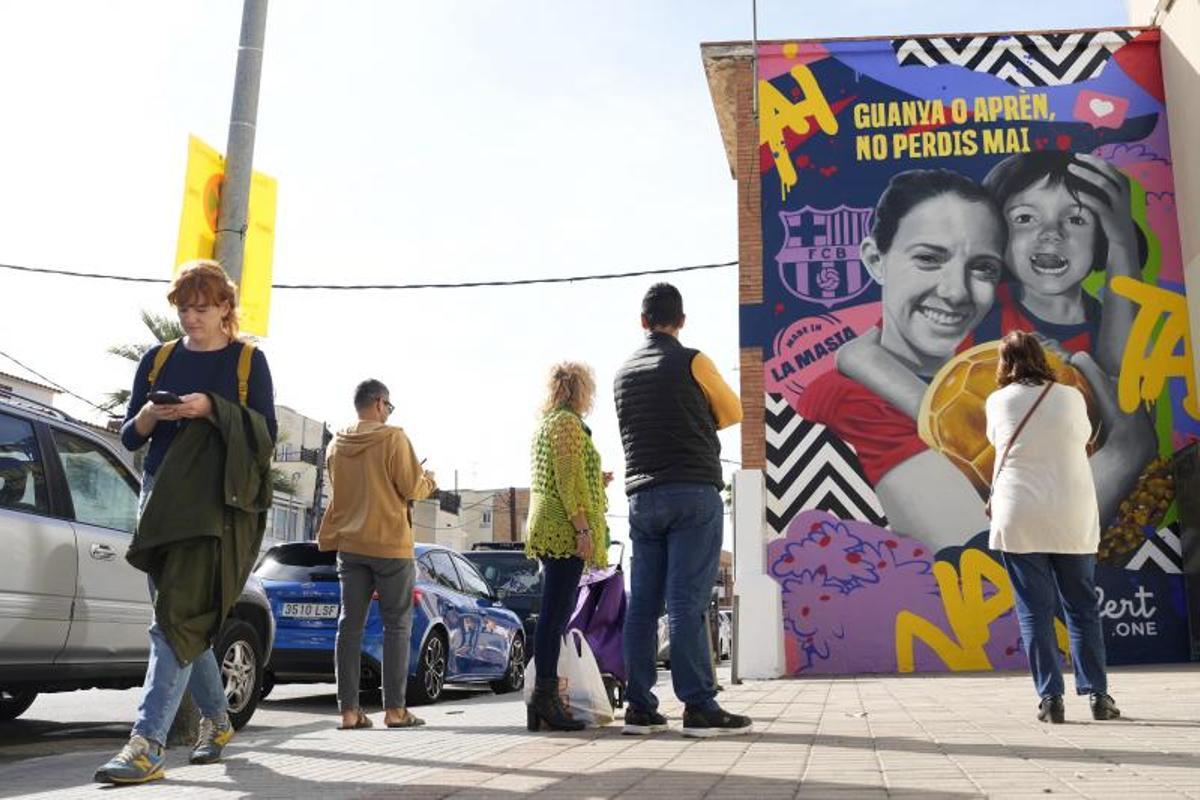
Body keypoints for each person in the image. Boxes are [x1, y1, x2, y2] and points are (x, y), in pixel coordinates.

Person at [95, 260, 277, 784]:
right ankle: (218, 721)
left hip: (217, 505)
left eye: (202, 308)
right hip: (160, 499)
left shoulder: (247, 362)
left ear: (225, 308)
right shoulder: (159, 358)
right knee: (182, 621)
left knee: (172, 619)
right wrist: (153, 416)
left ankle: (146, 744)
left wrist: (212, 409)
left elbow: (265, 435)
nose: (191, 319)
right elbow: (131, 435)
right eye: (184, 309)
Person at [803, 169, 1007, 548]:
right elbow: (983, 550)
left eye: (982, 267)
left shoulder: (994, 373)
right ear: (875, 260)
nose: (956, 292)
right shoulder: (844, 396)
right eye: (929, 258)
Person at [614, 283, 748, 738]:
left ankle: (639, 706)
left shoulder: (623, 373)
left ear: (643, 321)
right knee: (687, 603)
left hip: (641, 498)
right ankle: (698, 706)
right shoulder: (693, 360)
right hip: (692, 492)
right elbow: (732, 412)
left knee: (643, 607)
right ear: (682, 321)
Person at [986, 331, 1120, 724]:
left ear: (1005, 361)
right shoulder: (1070, 397)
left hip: (1020, 512)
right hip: (1070, 512)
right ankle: (1098, 696)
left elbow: (998, 443)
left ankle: (1051, 699)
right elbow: (1081, 440)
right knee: (1082, 609)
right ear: (1039, 358)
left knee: (1034, 612)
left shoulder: (997, 401)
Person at [317, 379, 436, 731]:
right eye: (389, 407)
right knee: (396, 626)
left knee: (348, 626)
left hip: (350, 546)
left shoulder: (336, 443)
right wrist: (429, 479)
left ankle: (349, 712)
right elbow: (411, 487)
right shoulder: (393, 438)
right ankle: (395, 711)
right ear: (381, 403)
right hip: (390, 545)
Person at [970, 151, 1143, 375]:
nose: (1051, 233)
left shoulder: (1113, 322)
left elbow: (1127, 393)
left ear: (1102, 236)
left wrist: (1121, 243)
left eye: (1075, 219)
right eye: (1025, 218)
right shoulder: (979, 309)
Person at [524, 362, 610, 732]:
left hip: (549, 522)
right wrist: (583, 529)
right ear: (580, 390)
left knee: (554, 614)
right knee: (554, 616)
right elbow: (568, 481)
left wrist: (596, 479)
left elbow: (571, 475)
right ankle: (545, 697)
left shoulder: (549, 423)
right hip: (562, 527)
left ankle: (545, 697)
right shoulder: (567, 424)